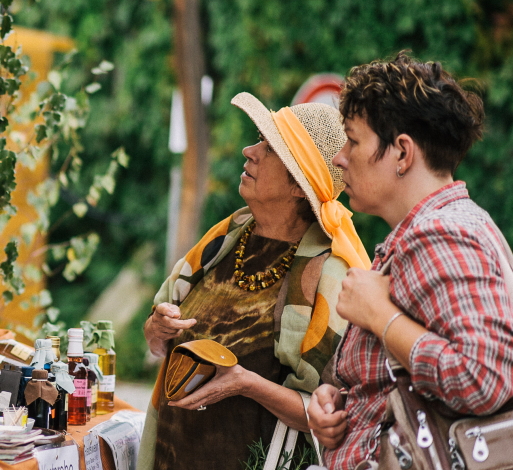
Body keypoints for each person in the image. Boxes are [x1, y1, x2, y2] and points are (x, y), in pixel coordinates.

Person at [137, 92, 370, 469]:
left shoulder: (328, 273)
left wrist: (244, 382)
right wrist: (157, 326)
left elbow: (329, 413)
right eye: (258, 139)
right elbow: (155, 343)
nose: (249, 150)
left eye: (269, 148)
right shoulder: (226, 236)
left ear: (299, 186)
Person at [306, 52, 513, 470]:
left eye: (353, 140)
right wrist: (337, 397)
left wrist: (380, 315)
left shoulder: (440, 236)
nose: (339, 156)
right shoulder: (448, 227)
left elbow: (482, 377)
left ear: (402, 153)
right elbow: (397, 375)